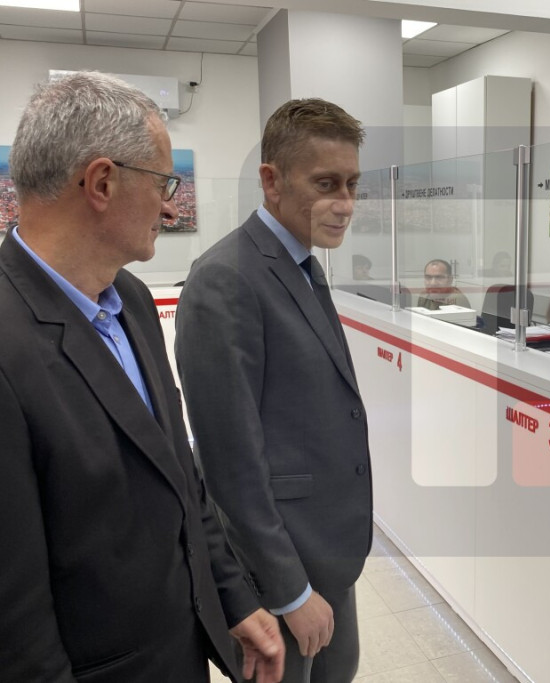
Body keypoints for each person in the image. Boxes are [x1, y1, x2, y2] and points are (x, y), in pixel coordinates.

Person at [0, 72, 283, 682]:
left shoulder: (129, 298)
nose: (170, 206)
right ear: (102, 182)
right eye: (163, 184)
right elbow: (14, 621)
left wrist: (234, 598)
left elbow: (179, 475)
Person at [176, 98, 373, 683]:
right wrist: (289, 591)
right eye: (326, 184)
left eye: (353, 185)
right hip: (280, 573)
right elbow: (229, 462)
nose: (345, 204)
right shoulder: (226, 279)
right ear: (272, 181)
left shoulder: (303, 266)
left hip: (326, 554)